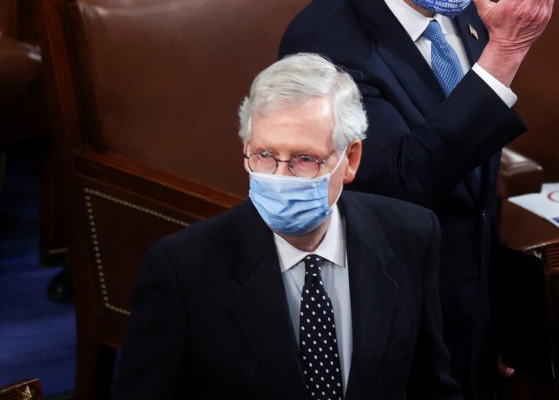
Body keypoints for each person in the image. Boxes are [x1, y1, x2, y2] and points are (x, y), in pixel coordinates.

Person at [279, 0, 559, 399]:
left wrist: (494, 317)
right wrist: (502, 57)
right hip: (394, 327)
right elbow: (401, 182)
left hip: (471, 311)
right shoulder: (322, 45)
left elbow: (473, 191)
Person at [113, 53, 461, 399]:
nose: (280, 178)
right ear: (246, 149)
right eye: (264, 155)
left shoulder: (411, 235)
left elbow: (430, 386)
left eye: (304, 159)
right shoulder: (182, 268)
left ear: (350, 159)